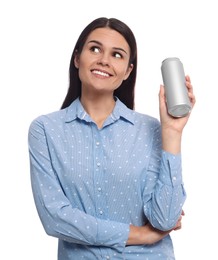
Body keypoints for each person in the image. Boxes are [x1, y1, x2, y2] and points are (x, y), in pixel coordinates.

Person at [28, 17, 195, 260]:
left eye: (117, 54)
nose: (104, 60)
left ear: (128, 71)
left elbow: (165, 219)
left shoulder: (149, 130)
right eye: (95, 49)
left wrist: (172, 132)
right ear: (77, 58)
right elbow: (55, 218)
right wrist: (138, 235)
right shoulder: (45, 130)